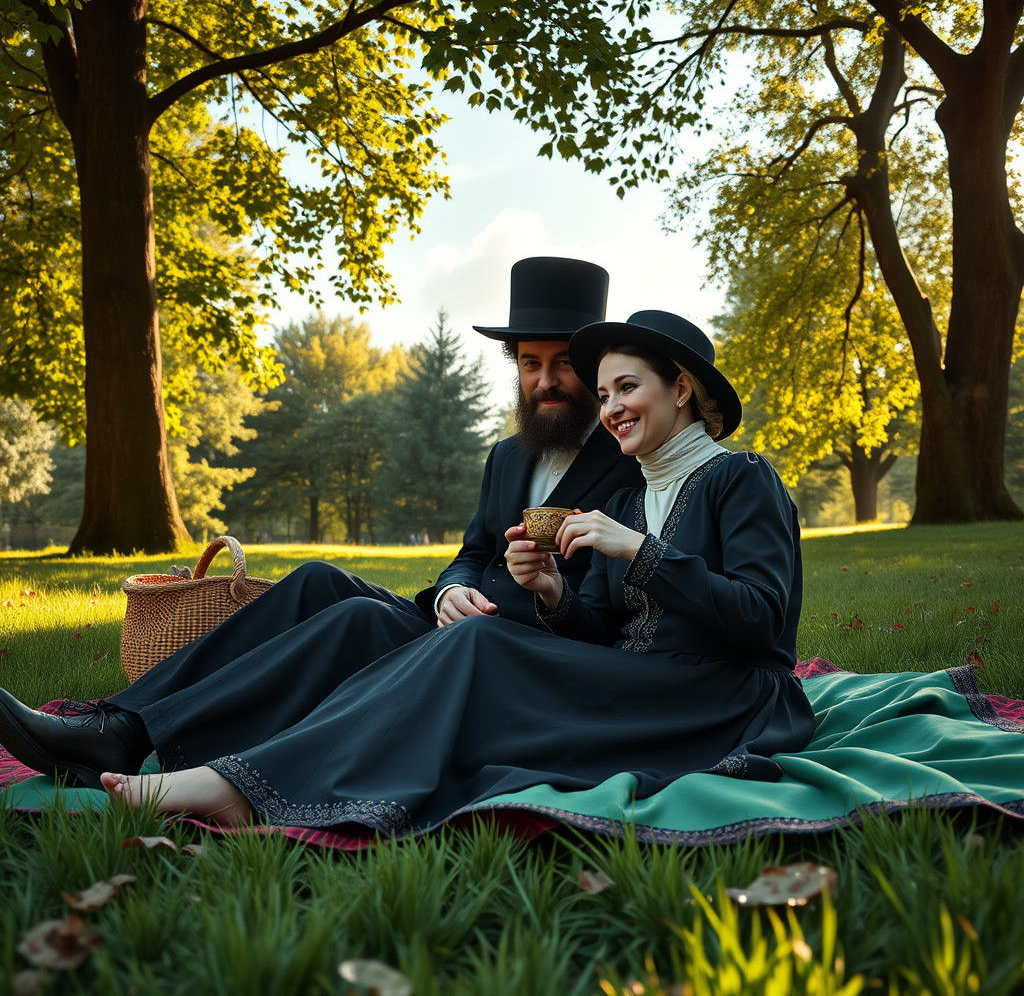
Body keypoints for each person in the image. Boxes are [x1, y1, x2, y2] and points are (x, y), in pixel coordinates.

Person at [4, 310, 815, 829]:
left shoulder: (742, 480)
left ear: (683, 388)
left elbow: (760, 621)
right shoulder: (634, 500)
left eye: (625, 387)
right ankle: (155, 738)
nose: (609, 408)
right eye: (604, 393)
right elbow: (604, 626)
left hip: (722, 698)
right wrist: (553, 590)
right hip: (629, 678)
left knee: (474, 648)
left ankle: (240, 785)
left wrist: (632, 554)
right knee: (359, 603)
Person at [0, 256, 643, 790]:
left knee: (356, 620)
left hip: (512, 653)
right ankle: (120, 719)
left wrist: (532, 596)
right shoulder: (507, 456)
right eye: (531, 364)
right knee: (313, 580)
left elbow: (606, 610)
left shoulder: (625, 466)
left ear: (591, 374)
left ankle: (131, 740)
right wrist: (449, 590)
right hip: (449, 621)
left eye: (560, 365)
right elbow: (471, 552)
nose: (545, 382)